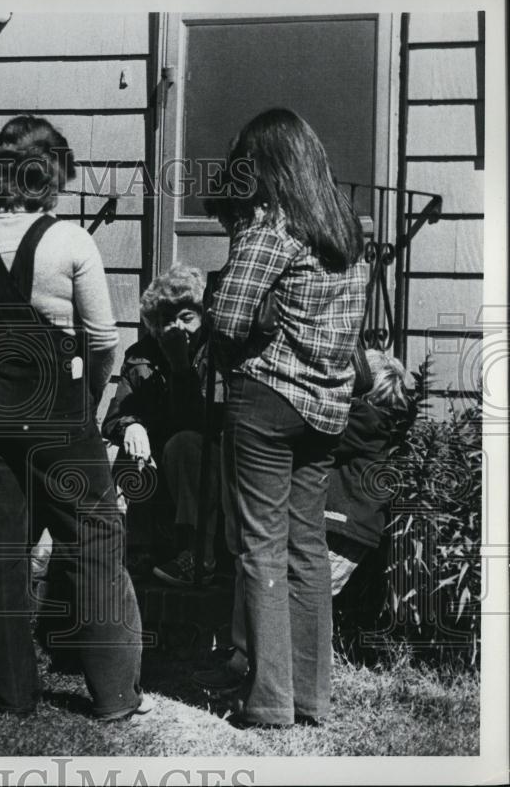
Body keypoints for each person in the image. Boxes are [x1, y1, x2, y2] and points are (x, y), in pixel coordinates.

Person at [0, 115, 151, 721]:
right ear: (49, 175)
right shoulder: (72, 242)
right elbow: (104, 339)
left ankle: (12, 692)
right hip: (62, 420)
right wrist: (89, 400)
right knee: (95, 540)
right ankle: (113, 694)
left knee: (0, 552)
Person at [206, 108, 367, 728]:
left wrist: (244, 314)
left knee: (260, 549)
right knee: (308, 548)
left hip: (267, 400)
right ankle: (313, 696)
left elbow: (226, 318)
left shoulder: (270, 229)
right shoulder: (346, 231)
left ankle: (269, 700)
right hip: (327, 409)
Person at [101, 262, 224, 585]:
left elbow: (203, 421)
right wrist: (131, 425)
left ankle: (197, 555)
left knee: (184, 444)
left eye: (186, 317)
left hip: (207, 461)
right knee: (129, 449)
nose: (176, 328)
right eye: (167, 320)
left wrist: (180, 368)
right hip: (156, 462)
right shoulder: (141, 354)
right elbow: (114, 416)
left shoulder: (218, 352)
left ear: (203, 315)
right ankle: (134, 551)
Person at [325, 349, 415, 595]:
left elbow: (324, 439)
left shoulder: (362, 418)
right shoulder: (383, 421)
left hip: (343, 521)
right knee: (315, 597)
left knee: (311, 597)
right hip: (354, 525)